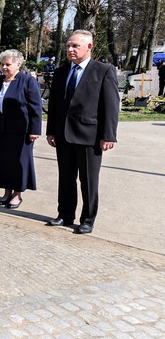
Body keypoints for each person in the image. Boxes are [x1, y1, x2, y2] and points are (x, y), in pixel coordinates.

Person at [45, 30, 119, 234]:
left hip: (90, 136)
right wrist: (51, 131)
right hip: (63, 135)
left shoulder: (103, 70)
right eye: (68, 45)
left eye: (75, 46)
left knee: (88, 181)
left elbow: (111, 105)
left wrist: (108, 135)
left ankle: (87, 219)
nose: (70, 49)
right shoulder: (61, 72)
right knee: (66, 177)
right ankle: (65, 214)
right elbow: (55, 105)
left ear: (89, 47)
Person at [0, 50, 42, 209]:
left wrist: (35, 130)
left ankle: (17, 194)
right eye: (2, 64)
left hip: (21, 130)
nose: (4, 67)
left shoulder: (27, 81)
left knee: (19, 162)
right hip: (1, 129)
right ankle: (6, 192)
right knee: (4, 161)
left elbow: (36, 108)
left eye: (8, 64)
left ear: (18, 64)